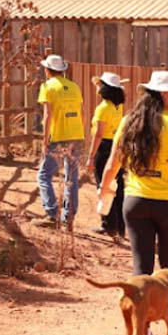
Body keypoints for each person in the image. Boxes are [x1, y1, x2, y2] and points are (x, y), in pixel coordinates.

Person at [100, 69, 168, 335]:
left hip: (136, 201)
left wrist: (103, 192)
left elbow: (113, 163)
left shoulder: (130, 121)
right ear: (164, 94)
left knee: (141, 266)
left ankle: (144, 328)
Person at [35, 54, 84, 230]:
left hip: (59, 137)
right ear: (62, 70)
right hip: (77, 135)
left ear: (47, 70)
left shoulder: (47, 87)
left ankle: (51, 213)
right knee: (72, 178)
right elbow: (81, 113)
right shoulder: (74, 87)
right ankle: (68, 218)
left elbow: (48, 115)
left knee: (43, 175)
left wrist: (44, 139)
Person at [85, 71, 129, 238]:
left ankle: (108, 224)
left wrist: (90, 156)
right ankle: (120, 226)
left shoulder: (102, 108)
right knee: (117, 185)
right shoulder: (118, 106)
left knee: (104, 185)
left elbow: (98, 134)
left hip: (104, 147)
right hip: (116, 146)